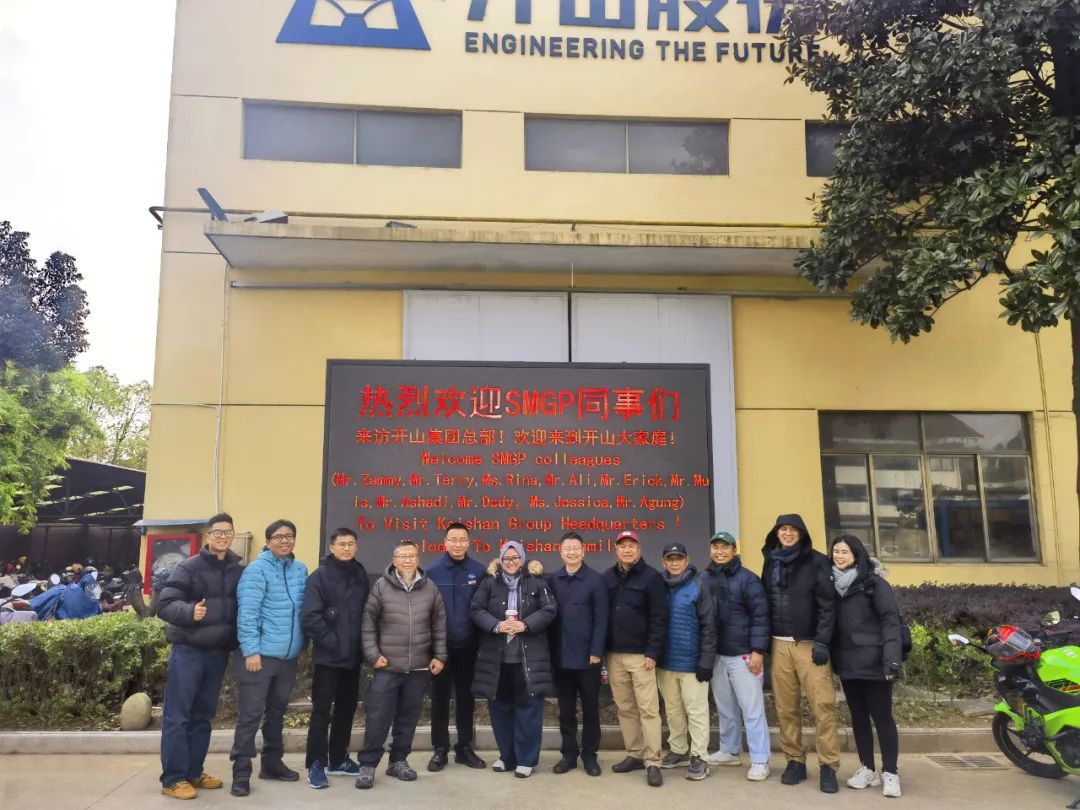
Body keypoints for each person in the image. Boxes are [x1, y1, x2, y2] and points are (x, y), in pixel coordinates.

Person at [157, 513, 244, 800]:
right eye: (218, 532)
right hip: (189, 652)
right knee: (178, 716)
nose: (223, 537)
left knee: (203, 717)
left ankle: (194, 771)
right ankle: (173, 778)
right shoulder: (188, 567)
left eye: (228, 532)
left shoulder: (236, 570)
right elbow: (165, 605)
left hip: (217, 654)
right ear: (208, 535)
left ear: (233, 535)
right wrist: (189, 612)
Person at [356, 542, 447, 790]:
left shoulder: (430, 588)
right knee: (378, 718)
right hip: (387, 666)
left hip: (418, 667)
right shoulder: (381, 586)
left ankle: (398, 760)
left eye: (411, 556)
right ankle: (368, 764)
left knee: (408, 718)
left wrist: (439, 656)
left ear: (418, 559)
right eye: (402, 556)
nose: (407, 560)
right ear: (394, 560)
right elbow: (368, 624)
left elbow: (439, 626)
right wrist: (373, 655)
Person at [761, 513, 840, 793]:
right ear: (777, 533)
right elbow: (765, 601)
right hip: (778, 644)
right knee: (786, 708)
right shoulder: (771, 561)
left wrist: (823, 642)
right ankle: (794, 760)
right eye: (783, 529)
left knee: (823, 706)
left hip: (809, 644)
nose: (788, 533)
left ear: (802, 534)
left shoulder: (818, 562)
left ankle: (828, 765)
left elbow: (828, 605)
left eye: (793, 530)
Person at [230, 519, 309, 797]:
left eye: (289, 536)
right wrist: (251, 650)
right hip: (260, 657)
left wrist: (302, 646)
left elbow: (302, 612)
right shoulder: (256, 570)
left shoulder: (300, 570)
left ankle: (272, 764)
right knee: (251, 716)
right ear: (268, 541)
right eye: (278, 537)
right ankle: (241, 772)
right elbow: (247, 613)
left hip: (287, 658)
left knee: (276, 713)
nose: (284, 541)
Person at [470, 541, 557, 778]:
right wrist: (497, 625)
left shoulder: (537, 581)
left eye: (515, 558)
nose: (511, 562)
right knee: (500, 709)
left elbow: (550, 610)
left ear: (522, 559)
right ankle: (506, 756)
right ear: (500, 560)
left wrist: (525, 624)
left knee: (529, 710)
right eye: (506, 558)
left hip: (528, 660)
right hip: (497, 661)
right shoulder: (489, 582)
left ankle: (526, 759)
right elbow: (476, 609)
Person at [830, 535, 903, 799]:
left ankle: (891, 772)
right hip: (848, 663)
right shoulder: (833, 585)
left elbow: (890, 622)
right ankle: (868, 769)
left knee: (882, 718)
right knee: (858, 718)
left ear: (856, 555)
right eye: (836, 551)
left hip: (875, 662)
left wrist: (891, 659)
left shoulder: (874, 584)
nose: (839, 556)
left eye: (844, 551)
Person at [301, 528, 370, 789]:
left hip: (353, 657)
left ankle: (338, 758)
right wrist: (334, 643)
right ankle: (315, 764)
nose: (347, 548)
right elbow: (311, 617)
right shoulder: (319, 576)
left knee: (346, 709)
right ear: (331, 547)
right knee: (321, 711)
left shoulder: (360, 574)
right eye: (342, 544)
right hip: (328, 657)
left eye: (351, 543)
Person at [703, 531, 771, 782]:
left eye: (725, 547)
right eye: (716, 547)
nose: (720, 552)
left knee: (752, 710)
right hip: (717, 656)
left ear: (734, 550)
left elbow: (761, 616)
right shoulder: (705, 578)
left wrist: (758, 650)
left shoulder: (748, 579)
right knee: (725, 708)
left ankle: (760, 760)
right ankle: (730, 750)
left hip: (744, 656)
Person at [603, 529, 668, 788]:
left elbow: (659, 618)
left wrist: (653, 652)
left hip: (642, 657)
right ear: (616, 550)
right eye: (623, 546)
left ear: (639, 549)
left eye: (632, 546)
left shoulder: (652, 577)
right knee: (625, 708)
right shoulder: (607, 577)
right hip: (614, 656)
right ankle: (635, 754)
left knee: (648, 711)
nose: (627, 550)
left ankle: (653, 762)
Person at [425, 522, 487, 771]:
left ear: (469, 542)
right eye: (453, 539)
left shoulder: (479, 571)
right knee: (439, 699)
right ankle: (440, 749)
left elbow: (484, 609)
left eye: (463, 540)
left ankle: (464, 748)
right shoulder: (432, 571)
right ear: (445, 542)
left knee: (466, 698)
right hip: (440, 649)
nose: (458, 544)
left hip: (468, 647)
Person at [546, 532, 608, 777]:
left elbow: (601, 619)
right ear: (560, 552)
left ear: (584, 551)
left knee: (591, 709)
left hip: (588, 658)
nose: (571, 552)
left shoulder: (596, 580)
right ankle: (569, 755)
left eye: (576, 548)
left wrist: (596, 650)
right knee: (566, 710)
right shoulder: (553, 580)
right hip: (561, 658)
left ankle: (590, 755)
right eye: (567, 548)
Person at [656, 542, 716, 781]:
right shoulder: (659, 585)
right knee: (672, 710)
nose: (674, 563)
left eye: (678, 558)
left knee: (696, 711)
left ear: (687, 560)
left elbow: (709, 626)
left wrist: (706, 661)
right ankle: (679, 749)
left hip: (692, 663)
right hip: (665, 662)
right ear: (664, 562)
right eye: (670, 559)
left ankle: (700, 756)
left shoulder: (699, 585)